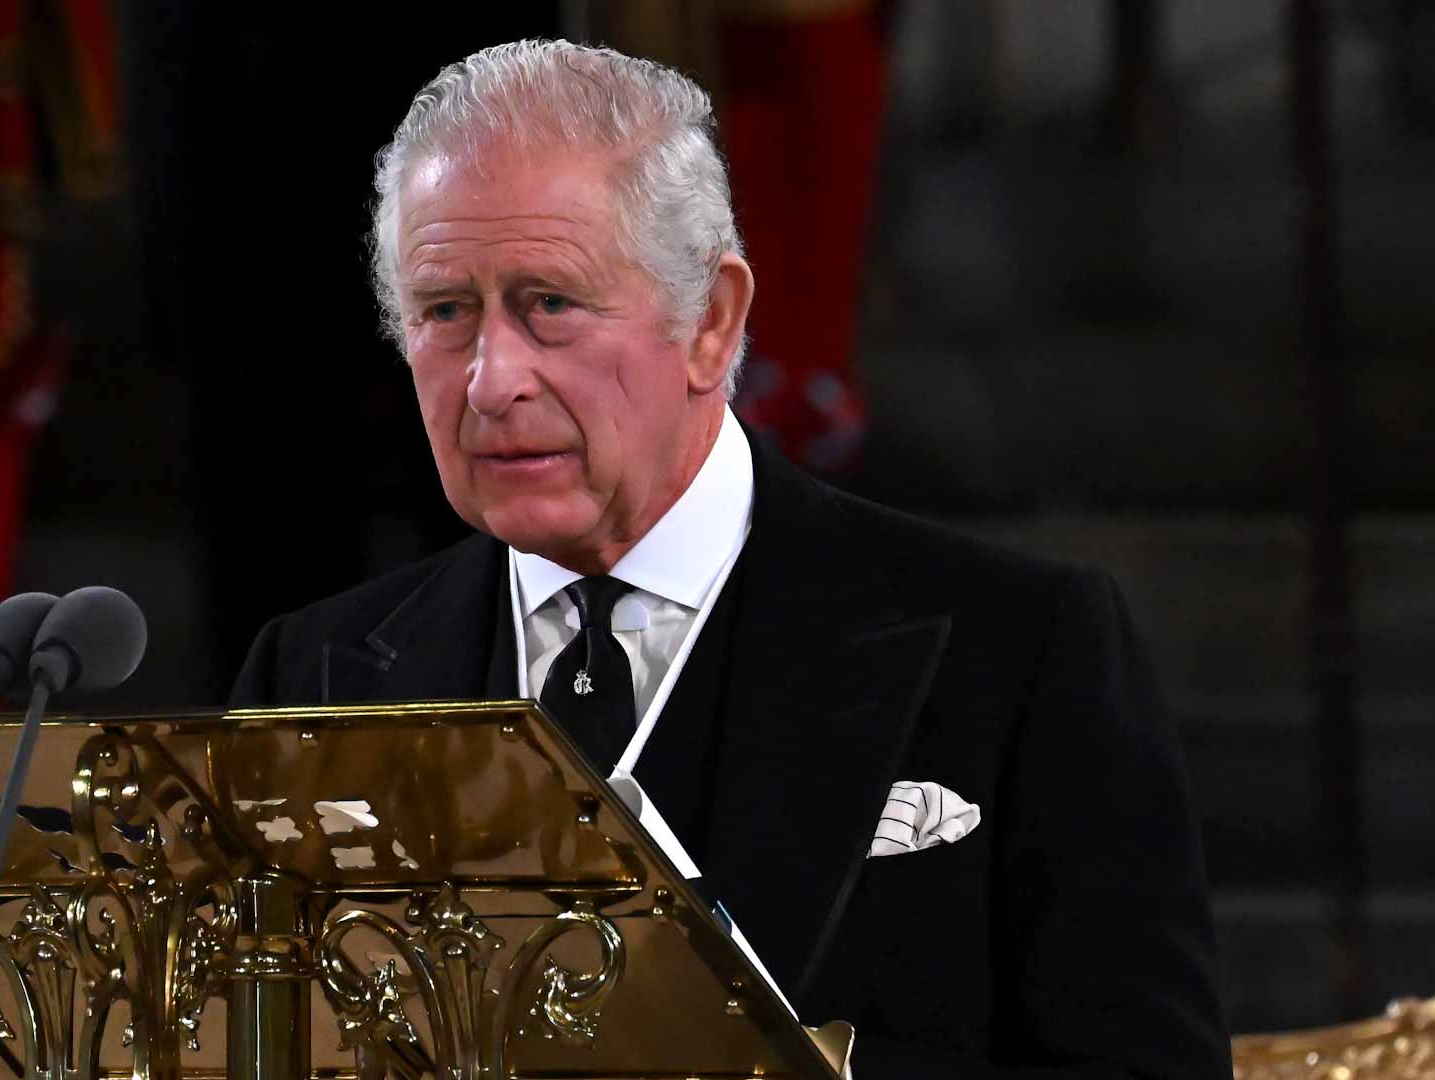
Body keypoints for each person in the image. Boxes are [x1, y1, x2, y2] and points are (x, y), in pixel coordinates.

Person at [231, 40, 1228, 1077]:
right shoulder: (312, 677)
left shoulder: (1023, 656)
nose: (491, 381)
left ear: (711, 320)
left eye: (549, 305)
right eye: (446, 312)